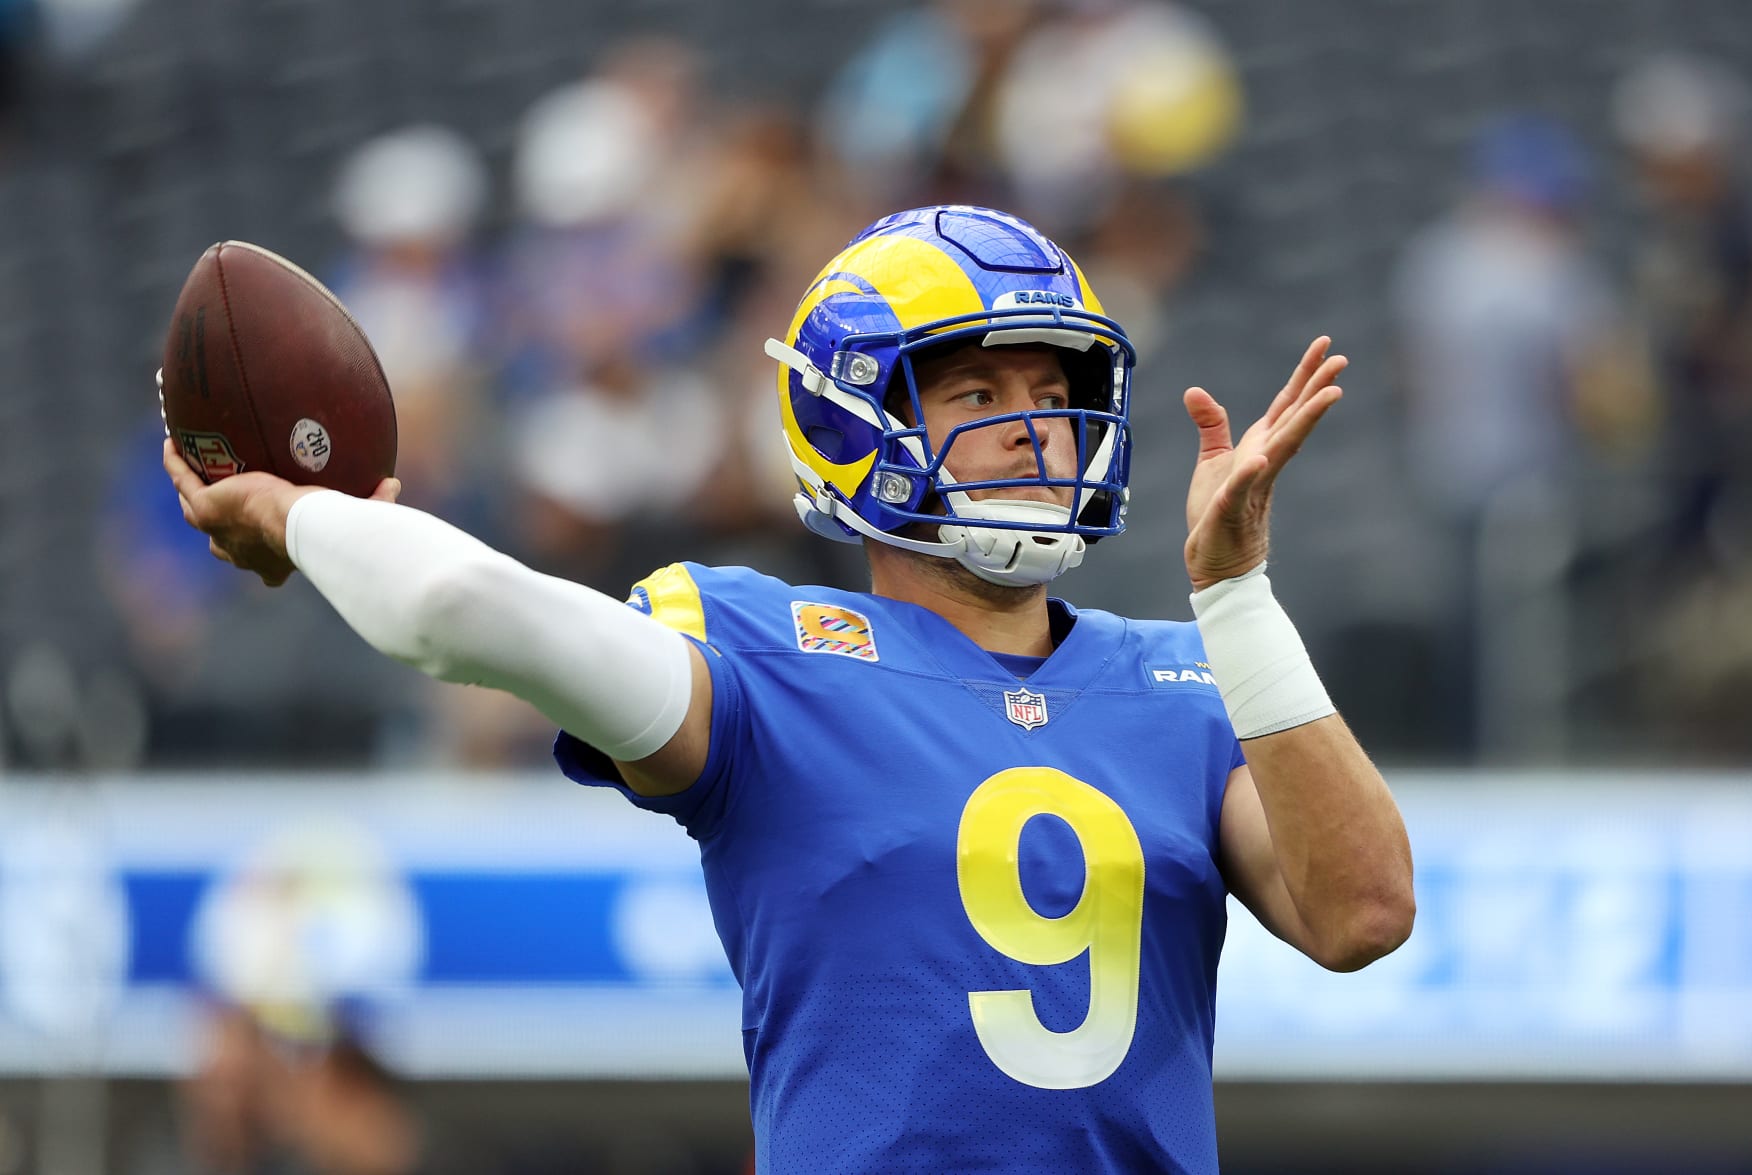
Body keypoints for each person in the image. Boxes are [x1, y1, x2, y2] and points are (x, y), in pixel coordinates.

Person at [164, 205, 1414, 1174]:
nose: (1036, 430)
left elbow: (1361, 910)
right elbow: (456, 608)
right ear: (851, 422)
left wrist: (1237, 594)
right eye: (980, 393)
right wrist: (298, 507)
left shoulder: (1183, 677)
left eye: (1054, 393)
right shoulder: (766, 655)